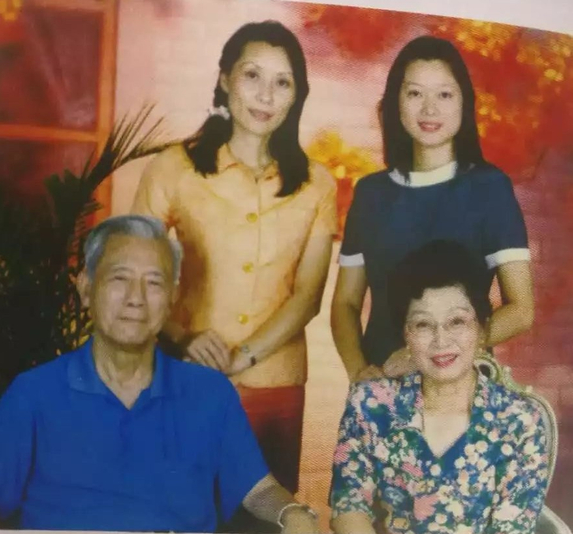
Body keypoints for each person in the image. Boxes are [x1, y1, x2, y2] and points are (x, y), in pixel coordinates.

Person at [0, 215, 319, 534]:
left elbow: (258, 490)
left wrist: (293, 514)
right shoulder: (34, 393)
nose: (136, 298)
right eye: (119, 278)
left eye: (154, 282)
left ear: (171, 298)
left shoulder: (210, 392)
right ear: (86, 289)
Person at [131, 20, 336, 501]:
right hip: (187, 376)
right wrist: (182, 338)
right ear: (225, 78)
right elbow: (136, 273)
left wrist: (242, 358)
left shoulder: (318, 184)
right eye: (252, 75)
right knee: (183, 511)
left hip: (277, 388)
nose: (266, 95)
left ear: (297, 96)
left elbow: (307, 297)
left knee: (267, 517)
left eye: (282, 82)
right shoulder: (173, 167)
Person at [331, 36, 534, 382]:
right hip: (384, 383)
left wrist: (424, 353)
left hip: (463, 388)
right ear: (395, 102)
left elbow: (521, 310)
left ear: (464, 103)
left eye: (444, 95)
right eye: (415, 93)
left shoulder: (489, 188)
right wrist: (360, 374)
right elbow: (345, 303)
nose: (429, 109)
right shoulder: (371, 194)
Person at [329, 240, 549, 534]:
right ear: (406, 334)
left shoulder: (520, 421)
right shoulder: (371, 405)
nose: (441, 341)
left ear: (481, 328)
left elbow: (513, 527)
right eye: (423, 325)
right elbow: (348, 506)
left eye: (456, 322)